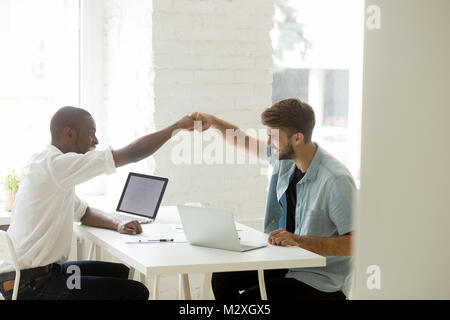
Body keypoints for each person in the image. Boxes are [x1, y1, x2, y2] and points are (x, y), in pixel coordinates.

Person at [0, 106, 195, 300]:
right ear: (69, 133)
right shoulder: (57, 165)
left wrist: (117, 223)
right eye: (91, 133)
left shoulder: (45, 164)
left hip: (35, 274)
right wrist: (176, 127)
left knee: (120, 272)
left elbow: (83, 213)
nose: (95, 141)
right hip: (33, 285)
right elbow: (133, 153)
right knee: (135, 292)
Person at [191, 98, 356, 300]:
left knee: (248, 302)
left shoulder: (335, 180)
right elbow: (241, 139)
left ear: (297, 138)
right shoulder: (285, 160)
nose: (268, 143)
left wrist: (297, 241)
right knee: (222, 279)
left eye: (273, 137)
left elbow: (354, 243)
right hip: (283, 262)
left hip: (321, 279)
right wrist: (212, 121)